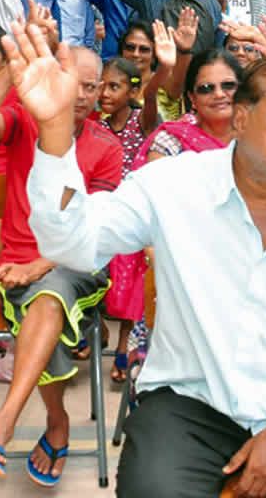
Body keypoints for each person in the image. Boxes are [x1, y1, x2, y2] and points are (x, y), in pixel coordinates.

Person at [11, 18, 266, 496]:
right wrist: (56, 131)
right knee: (153, 491)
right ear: (241, 118)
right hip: (190, 402)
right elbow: (70, 243)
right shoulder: (173, 186)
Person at [0, 39, 121, 486]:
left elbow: (96, 228)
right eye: (74, 82)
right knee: (45, 304)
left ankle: (5, 420)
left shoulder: (106, 147)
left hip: (81, 265)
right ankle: (55, 421)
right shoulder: (26, 122)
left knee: (49, 293)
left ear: (99, 92)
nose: (81, 94)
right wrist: (13, 68)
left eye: (90, 86)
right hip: (17, 266)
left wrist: (41, 264)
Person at [96, 55, 157, 382]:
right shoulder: (97, 125)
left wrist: (164, 71)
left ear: (132, 92)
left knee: (132, 262)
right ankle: (96, 326)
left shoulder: (141, 120)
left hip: (133, 212)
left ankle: (125, 339)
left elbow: (151, 99)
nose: (105, 93)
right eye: (102, 86)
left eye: (114, 87)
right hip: (102, 210)